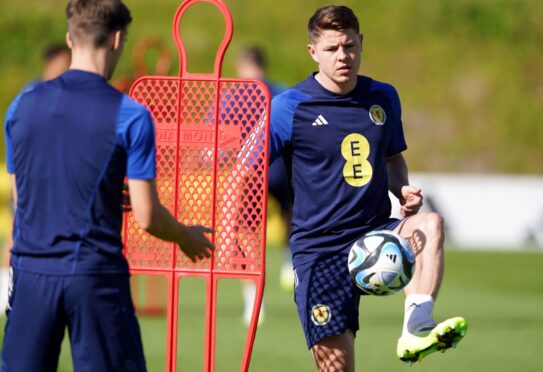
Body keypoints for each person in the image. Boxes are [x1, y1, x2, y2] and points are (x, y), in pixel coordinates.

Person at [2, 1, 214, 371]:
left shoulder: (22, 105)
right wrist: (184, 236)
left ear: (70, 37)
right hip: (94, 276)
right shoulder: (131, 114)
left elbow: (23, 197)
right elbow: (147, 217)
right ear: (117, 39)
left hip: (31, 276)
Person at [267, 5, 467, 370]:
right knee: (338, 366)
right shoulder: (288, 107)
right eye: (331, 48)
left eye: (350, 46)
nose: (343, 56)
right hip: (320, 250)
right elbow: (246, 170)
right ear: (313, 52)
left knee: (430, 224)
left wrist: (402, 190)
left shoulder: (384, 97)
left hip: (376, 232)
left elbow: (392, 160)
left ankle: (417, 327)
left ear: (361, 43)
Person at [0, 43, 71, 314]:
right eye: (63, 64)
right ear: (51, 64)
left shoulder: (62, 96)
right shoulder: (30, 95)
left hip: (51, 176)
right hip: (29, 175)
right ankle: (8, 289)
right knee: (16, 231)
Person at [235, 46, 292, 326]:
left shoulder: (232, 95)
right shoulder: (283, 93)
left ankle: (254, 302)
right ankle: (287, 260)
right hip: (273, 170)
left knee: (247, 236)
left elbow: (215, 135)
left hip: (252, 174)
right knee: (286, 216)